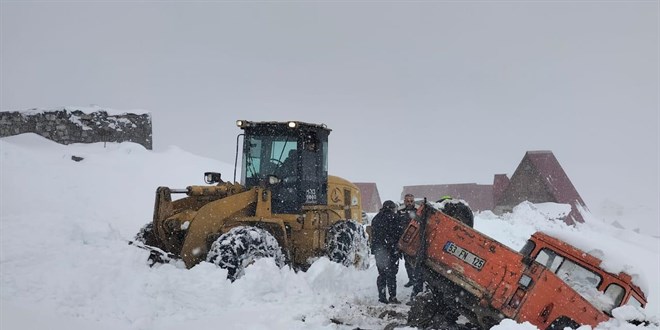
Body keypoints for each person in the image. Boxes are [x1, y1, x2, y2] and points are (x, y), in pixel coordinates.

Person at [371, 200, 401, 304]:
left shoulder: (376, 218)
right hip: (391, 250)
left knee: (382, 274)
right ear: (392, 208)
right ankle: (392, 297)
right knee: (392, 275)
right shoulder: (395, 218)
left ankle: (382, 297)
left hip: (379, 251)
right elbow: (399, 233)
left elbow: (374, 235)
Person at [398, 194, 417, 288]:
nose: (409, 203)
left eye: (411, 201)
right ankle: (411, 279)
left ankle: (417, 280)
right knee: (407, 262)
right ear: (404, 202)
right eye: (407, 201)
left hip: (416, 241)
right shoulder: (400, 212)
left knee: (416, 262)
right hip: (405, 240)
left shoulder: (418, 211)